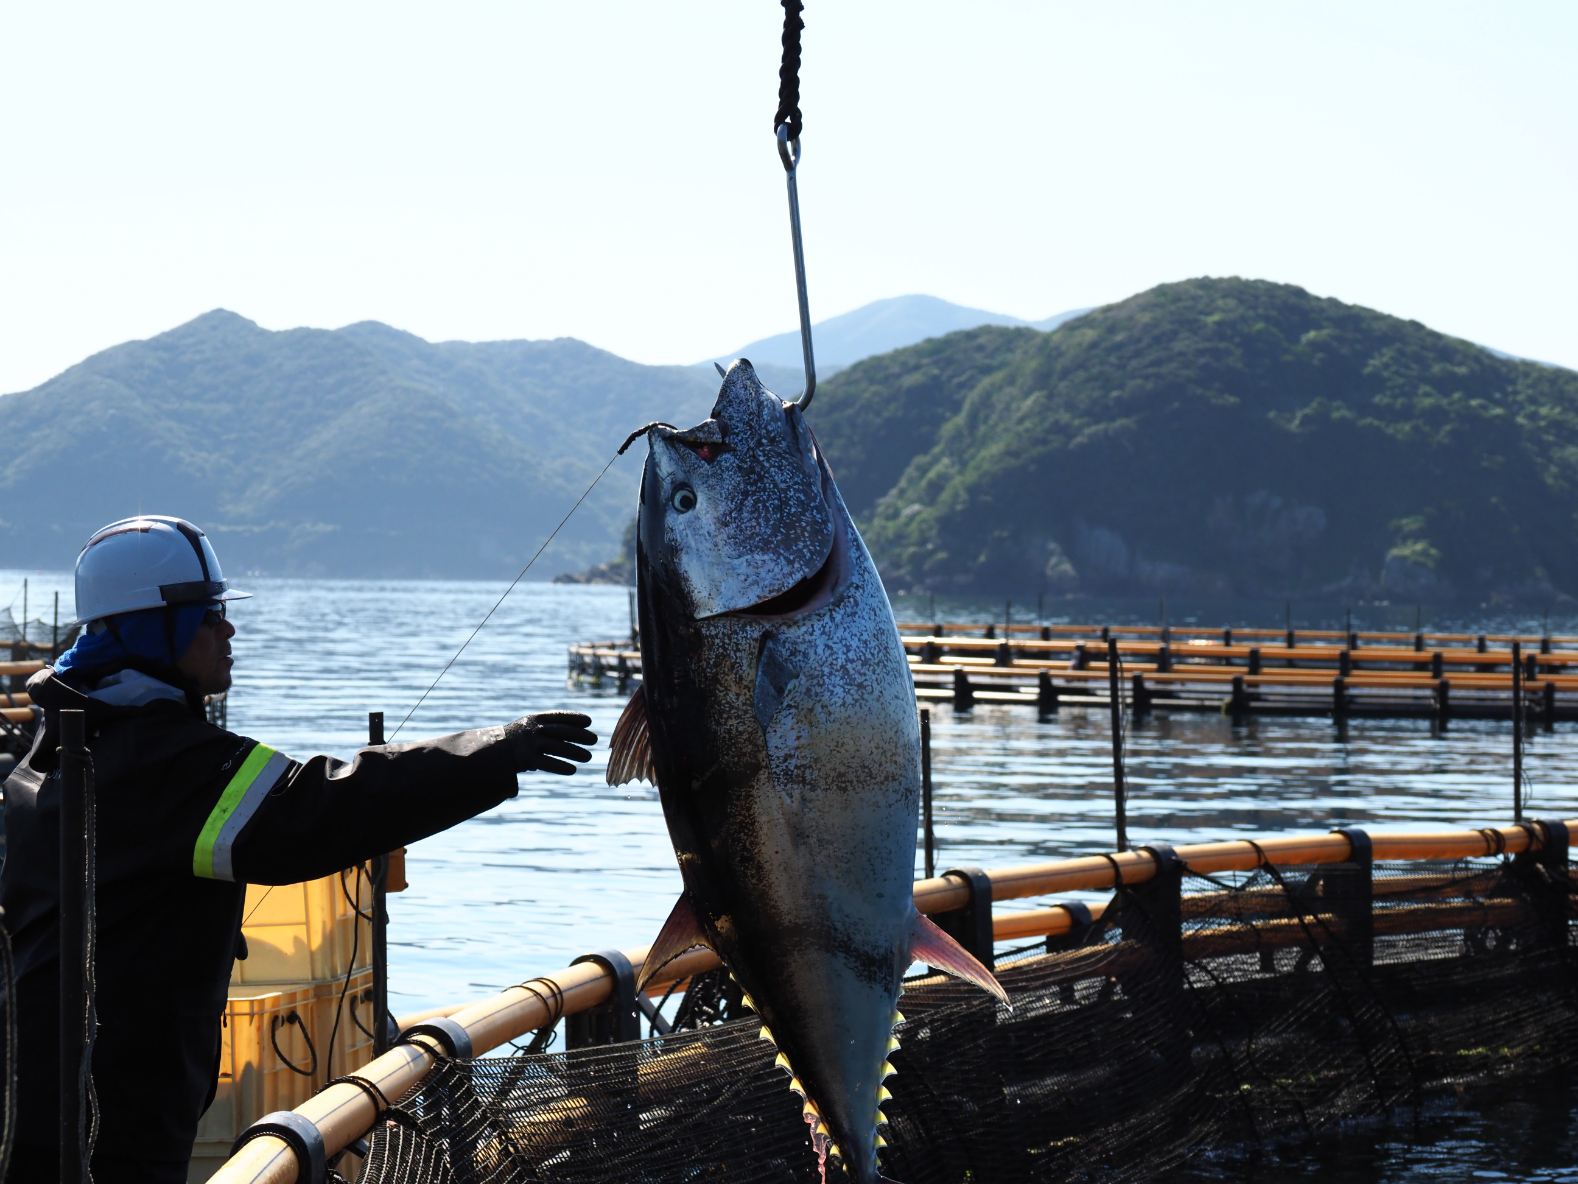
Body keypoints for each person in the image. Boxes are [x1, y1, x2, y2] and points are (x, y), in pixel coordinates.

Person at [0, 516, 598, 1182]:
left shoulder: (66, 742)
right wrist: (495, 752)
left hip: (46, 1097)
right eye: (211, 615)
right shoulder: (157, 761)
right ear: (152, 631)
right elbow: (316, 810)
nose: (228, 631)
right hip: (107, 1120)